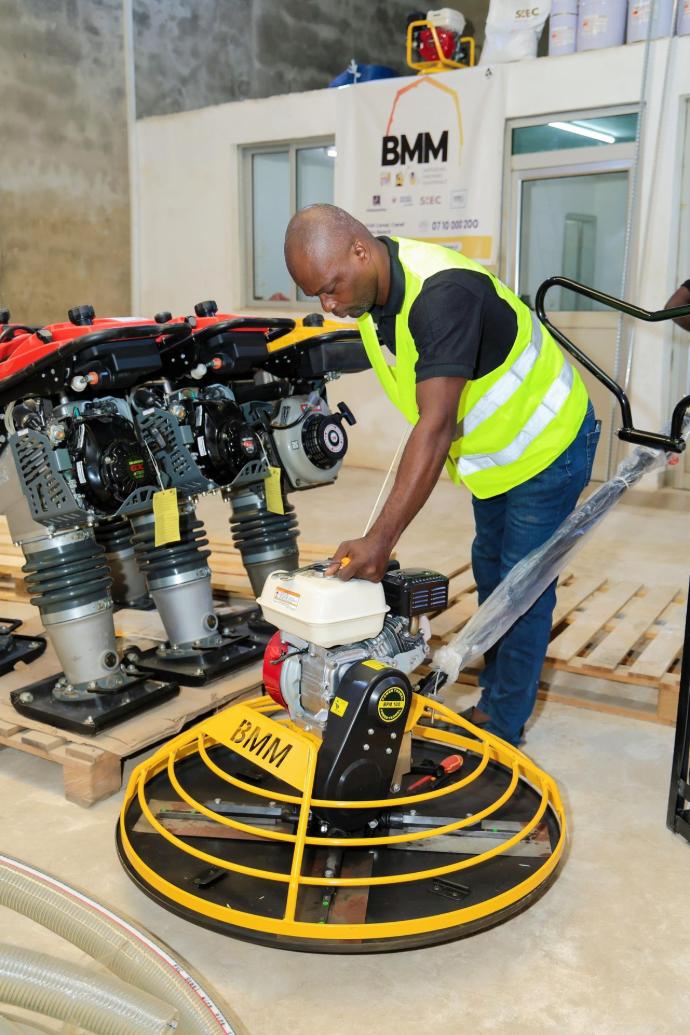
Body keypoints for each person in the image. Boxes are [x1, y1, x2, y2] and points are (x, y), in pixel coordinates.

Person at [283, 204, 600, 745]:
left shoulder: (443, 293)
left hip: (548, 445)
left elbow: (435, 427)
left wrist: (380, 540)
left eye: (331, 287)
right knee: (491, 573)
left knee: (521, 590)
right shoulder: (374, 296)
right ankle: (497, 693)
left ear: (360, 250)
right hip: (493, 460)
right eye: (317, 295)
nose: (329, 305)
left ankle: (502, 726)